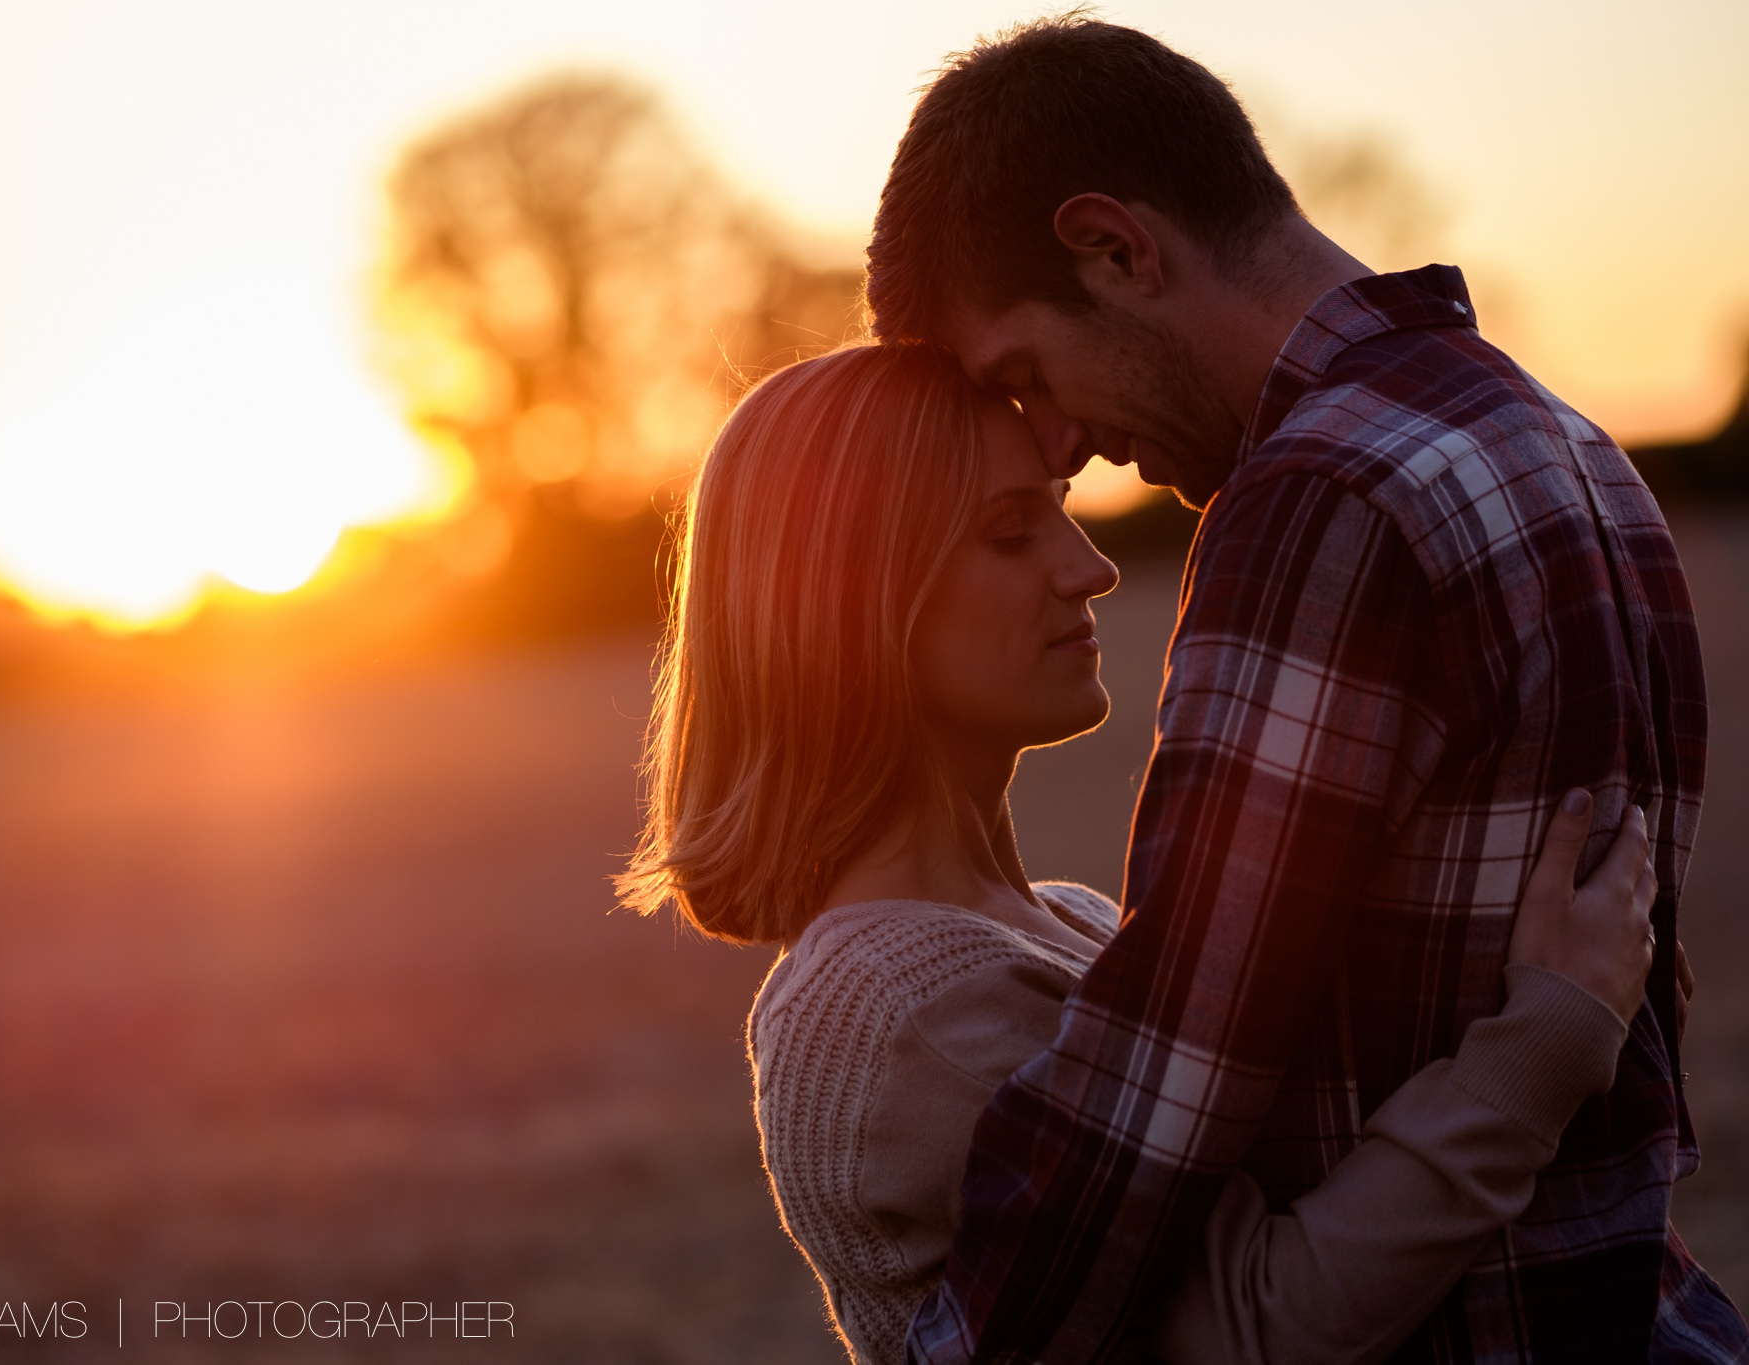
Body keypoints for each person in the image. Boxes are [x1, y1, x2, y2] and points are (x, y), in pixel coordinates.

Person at [861, 14, 1743, 1364]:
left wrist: (963, 1344)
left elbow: (1171, 1075)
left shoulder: (1325, 495)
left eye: (1030, 376)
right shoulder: (1573, 450)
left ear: (1117, 247)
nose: (1069, 447)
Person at [620, 341, 1657, 1365]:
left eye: (1058, 513)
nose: (1089, 566)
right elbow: (1254, 1329)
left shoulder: (1062, 919)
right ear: (852, 598)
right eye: (1008, 534)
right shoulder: (889, 1007)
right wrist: (1534, 1057)